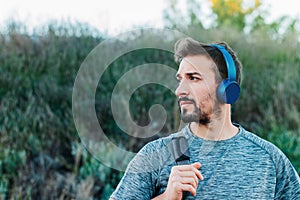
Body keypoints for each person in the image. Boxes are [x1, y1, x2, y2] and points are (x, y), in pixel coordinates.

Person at [110, 37, 300, 199]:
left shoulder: (268, 159)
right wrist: (167, 197)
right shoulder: (156, 155)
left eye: (193, 78)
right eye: (180, 79)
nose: (179, 91)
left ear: (227, 89)